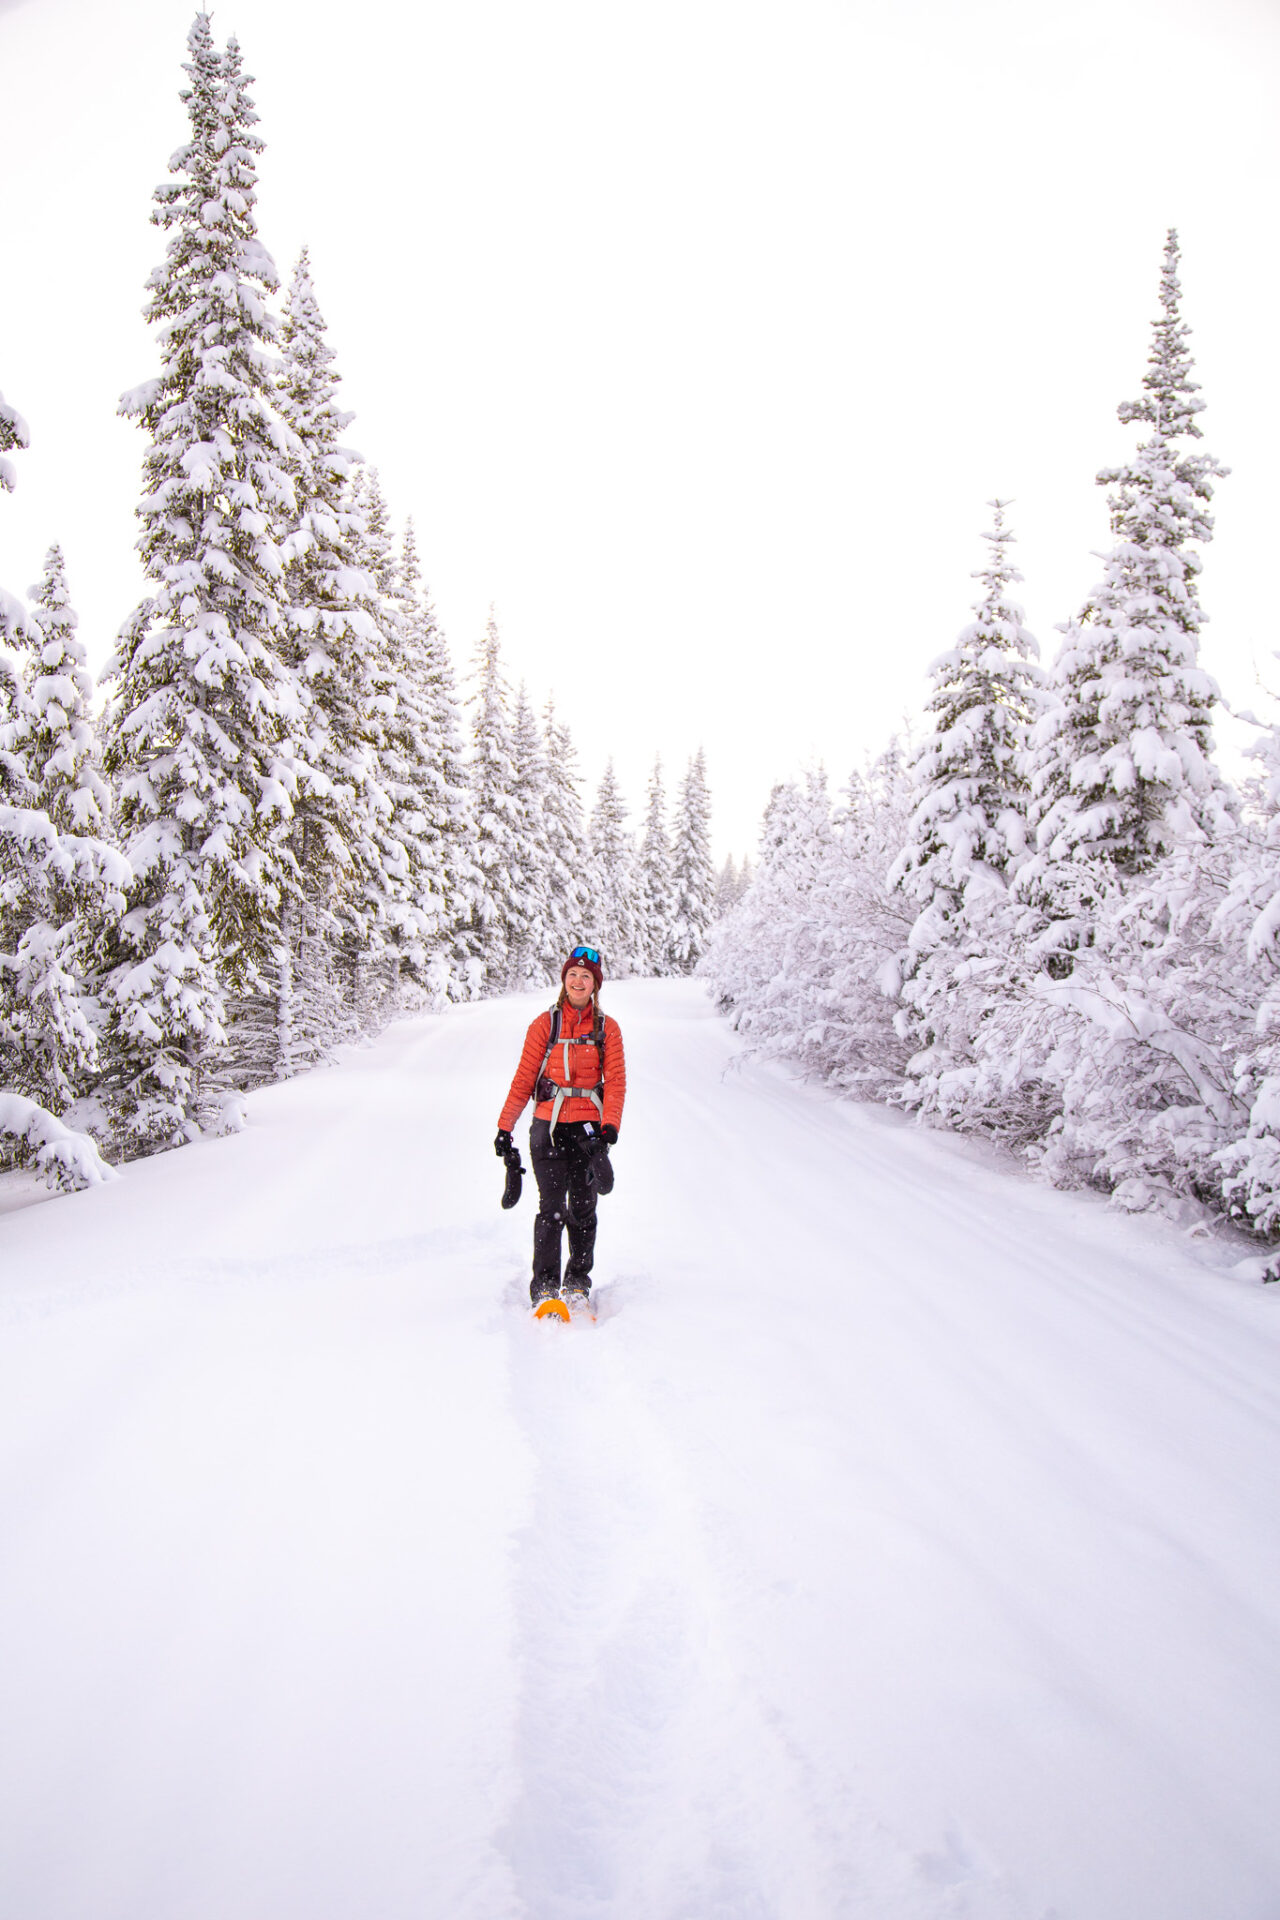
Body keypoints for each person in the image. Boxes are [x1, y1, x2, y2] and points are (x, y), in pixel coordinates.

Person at [494, 945, 626, 1314]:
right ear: (564, 979)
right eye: (573, 974)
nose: (579, 981)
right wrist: (505, 1128)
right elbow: (523, 1079)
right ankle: (546, 1289)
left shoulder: (606, 1029)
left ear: (595, 984)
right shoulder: (544, 1024)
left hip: (588, 1132)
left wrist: (609, 1129)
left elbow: (615, 1081)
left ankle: (577, 1285)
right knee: (551, 1209)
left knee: (583, 1211)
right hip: (547, 1128)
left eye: (586, 976)